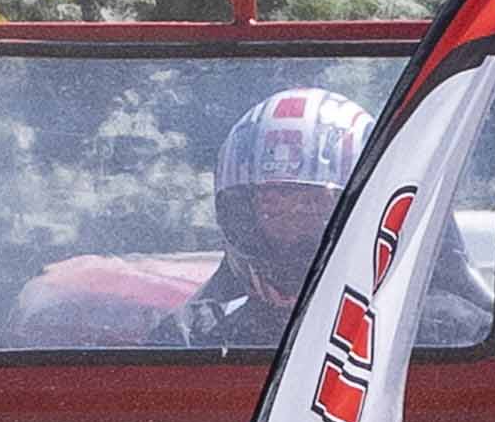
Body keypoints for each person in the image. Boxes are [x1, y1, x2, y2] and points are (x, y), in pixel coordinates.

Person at [157, 84, 373, 352]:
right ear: (244, 212)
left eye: (311, 203)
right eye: (274, 201)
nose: (292, 219)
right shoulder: (191, 339)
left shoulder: (418, 328)